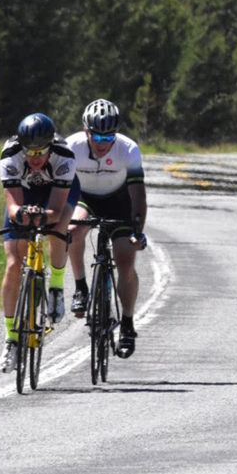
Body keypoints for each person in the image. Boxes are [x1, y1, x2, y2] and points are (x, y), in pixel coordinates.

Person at [0, 112, 79, 373]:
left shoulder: (64, 156)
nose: (34, 157)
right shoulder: (10, 154)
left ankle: (55, 288)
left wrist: (44, 215)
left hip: (56, 190)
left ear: (50, 147)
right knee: (12, 264)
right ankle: (11, 339)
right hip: (24, 193)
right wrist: (22, 214)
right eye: (29, 152)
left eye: (41, 151)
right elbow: (12, 207)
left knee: (58, 228)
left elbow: (55, 209)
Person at [66, 98, 147, 358]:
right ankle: (80, 287)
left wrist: (137, 231)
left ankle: (127, 323)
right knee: (73, 230)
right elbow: (62, 190)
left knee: (125, 258)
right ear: (85, 130)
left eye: (108, 136)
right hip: (85, 197)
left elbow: (138, 195)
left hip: (119, 201)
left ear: (116, 133)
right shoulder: (71, 147)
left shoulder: (128, 149)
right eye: (96, 135)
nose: (102, 142)